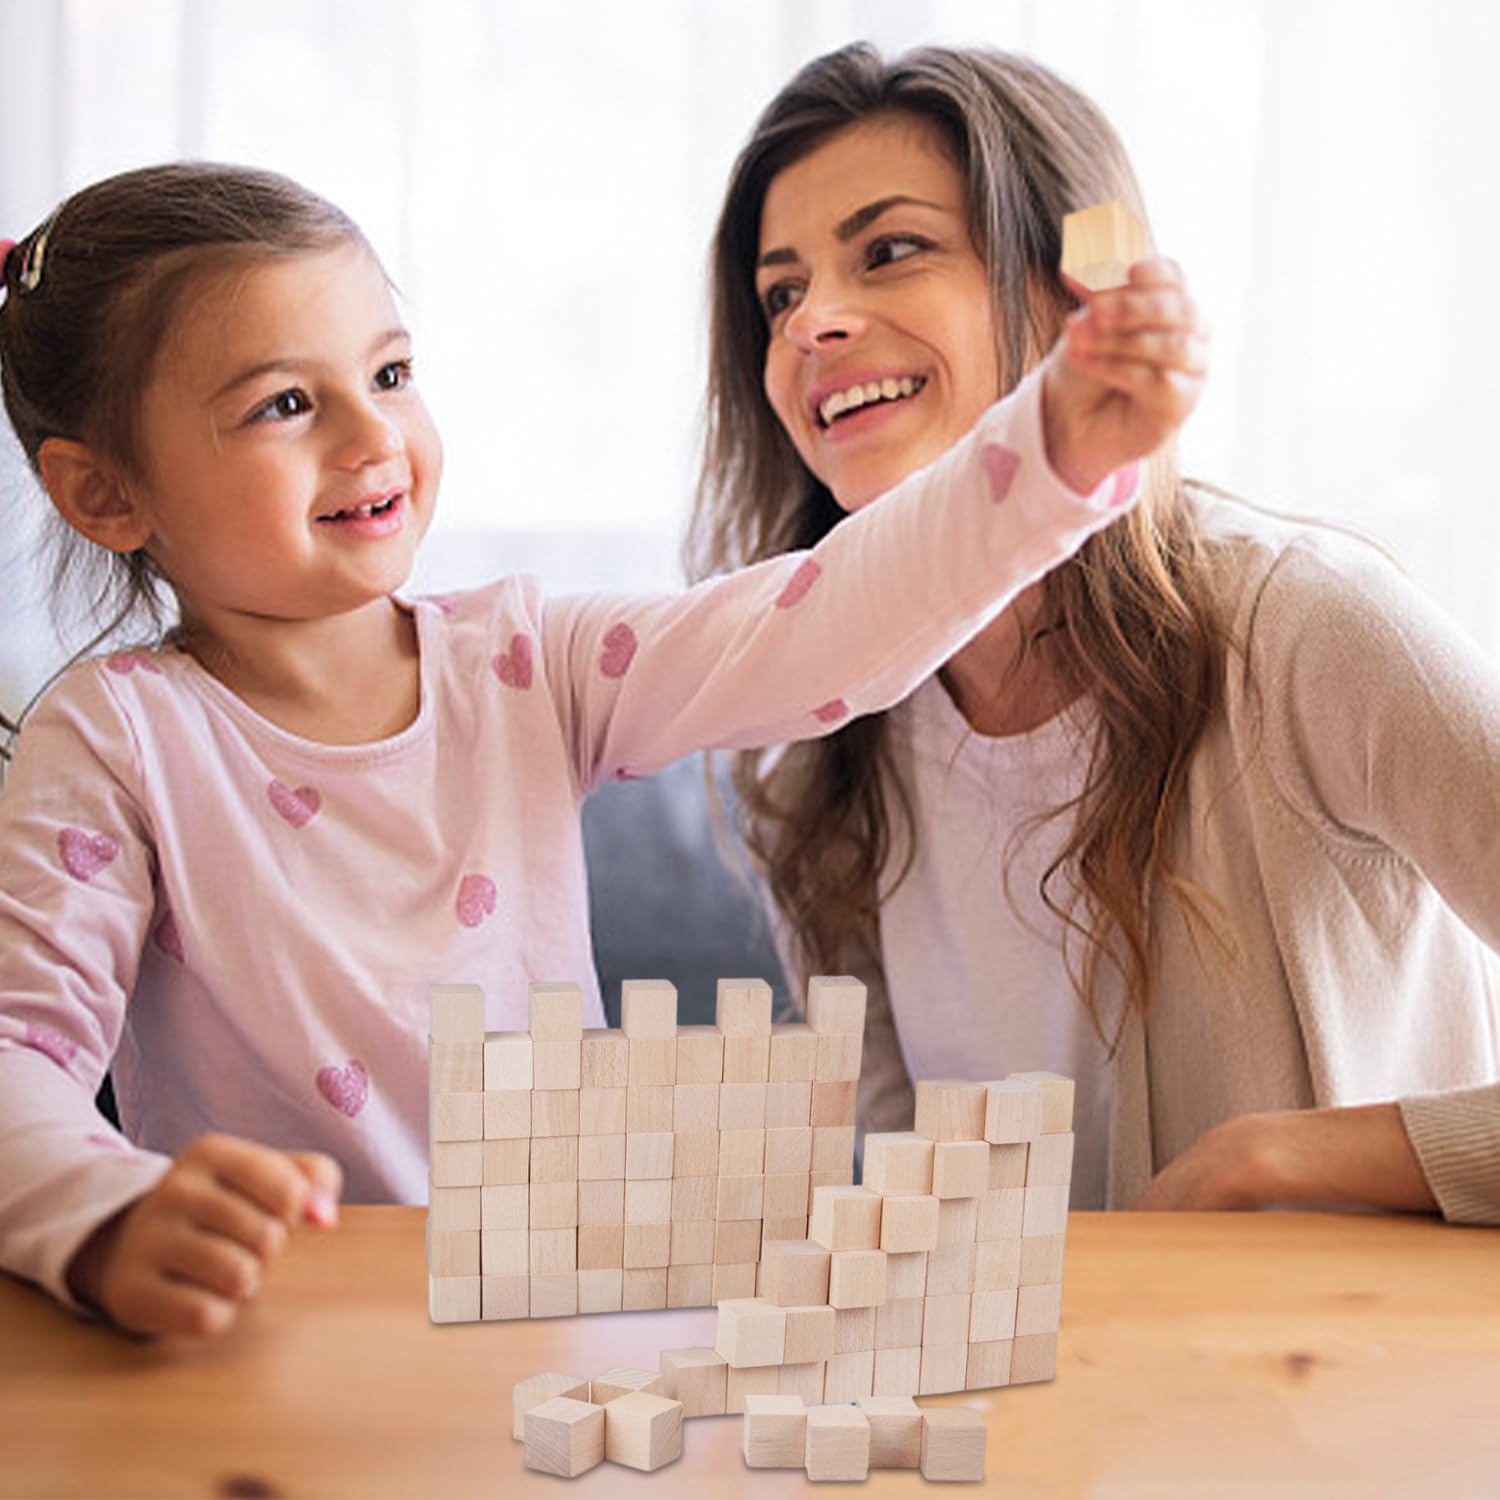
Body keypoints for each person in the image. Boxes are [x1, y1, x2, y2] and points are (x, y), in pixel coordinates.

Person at [0, 159, 1195, 1337]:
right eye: (285, 404)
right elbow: (17, 1058)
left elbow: (823, 628)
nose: (374, 435)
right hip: (285, 1337)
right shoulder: (115, 742)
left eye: (392, 373)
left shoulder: (527, 664)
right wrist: (110, 1218)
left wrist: (1054, 450)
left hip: (553, 1335)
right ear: (104, 495)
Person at [686, 42, 1500, 1226]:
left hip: (1347, 1386)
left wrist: (1277, 1162)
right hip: (1058, 1402)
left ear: (1071, 291)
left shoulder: (1308, 631)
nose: (816, 321)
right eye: (780, 292)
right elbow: (921, 1193)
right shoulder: (807, 741)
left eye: (891, 250)